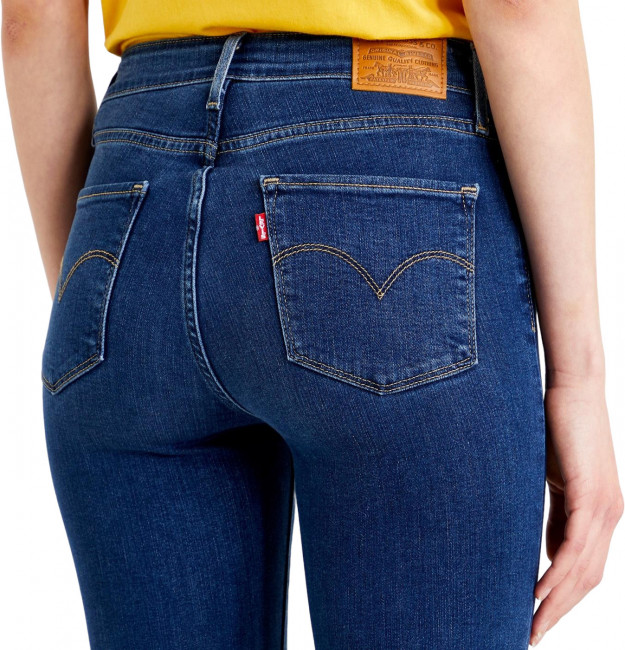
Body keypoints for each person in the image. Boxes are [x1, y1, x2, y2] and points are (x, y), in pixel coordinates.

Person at [2, 0, 622, 648]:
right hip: (386, 166)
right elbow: (516, 8)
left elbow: (30, 17)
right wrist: (578, 379)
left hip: (131, 189)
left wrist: (99, 303)